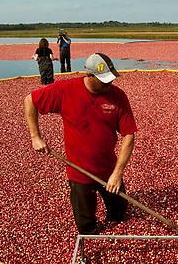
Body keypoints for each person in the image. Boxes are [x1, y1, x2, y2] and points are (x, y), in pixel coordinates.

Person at [23, 52, 137, 234]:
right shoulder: (65, 90)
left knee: (119, 213)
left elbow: (129, 135)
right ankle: (90, 236)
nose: (109, 83)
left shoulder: (118, 96)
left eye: (111, 79)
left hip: (109, 170)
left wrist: (117, 173)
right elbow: (30, 100)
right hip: (79, 173)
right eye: (104, 80)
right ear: (89, 75)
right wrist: (35, 136)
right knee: (86, 226)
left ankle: (114, 219)